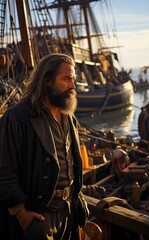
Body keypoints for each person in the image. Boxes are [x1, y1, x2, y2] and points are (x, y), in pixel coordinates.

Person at [0, 53, 89, 240]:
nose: (73, 85)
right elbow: (5, 170)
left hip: (69, 212)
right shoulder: (17, 118)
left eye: (73, 79)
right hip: (39, 218)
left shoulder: (69, 117)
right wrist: (21, 214)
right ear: (48, 81)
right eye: (66, 79)